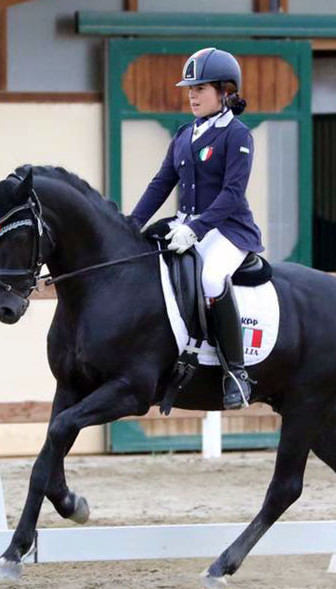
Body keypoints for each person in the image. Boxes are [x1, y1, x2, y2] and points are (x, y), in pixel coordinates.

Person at [129, 47, 264, 410]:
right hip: (186, 223)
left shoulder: (236, 135)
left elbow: (233, 194)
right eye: (190, 89)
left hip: (228, 229)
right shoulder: (185, 134)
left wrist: (199, 228)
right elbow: (161, 184)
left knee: (210, 279)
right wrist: (130, 225)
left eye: (200, 88)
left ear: (225, 91)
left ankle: (236, 373)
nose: (192, 95)